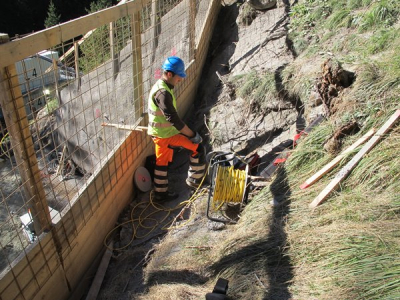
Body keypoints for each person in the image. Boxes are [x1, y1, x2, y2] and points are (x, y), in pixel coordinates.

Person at [147, 56, 206, 202]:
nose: (180, 80)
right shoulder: (163, 93)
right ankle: (195, 181)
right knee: (197, 148)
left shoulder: (163, 86)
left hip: (161, 134)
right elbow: (174, 120)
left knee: (162, 163)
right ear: (169, 74)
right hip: (165, 135)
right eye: (179, 77)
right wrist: (192, 134)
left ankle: (160, 194)